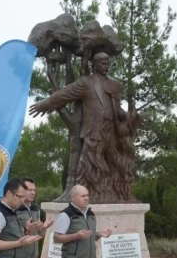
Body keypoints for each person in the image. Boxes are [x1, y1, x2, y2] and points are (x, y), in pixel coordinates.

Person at [28, 52, 141, 202]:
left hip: (111, 130)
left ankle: (122, 193)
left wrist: (131, 117)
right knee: (89, 163)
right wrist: (44, 104)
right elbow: (63, 94)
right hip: (94, 130)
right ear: (95, 65)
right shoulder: (86, 82)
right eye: (102, 64)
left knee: (115, 161)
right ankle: (85, 194)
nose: (106, 67)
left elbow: (117, 109)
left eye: (107, 64)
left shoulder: (114, 85)